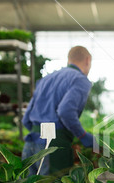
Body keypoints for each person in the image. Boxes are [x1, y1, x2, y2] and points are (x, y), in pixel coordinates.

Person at [22, 45, 94, 175]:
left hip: (30, 145)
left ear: (69, 60)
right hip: (53, 147)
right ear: (88, 60)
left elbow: (26, 118)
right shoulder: (80, 80)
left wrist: (39, 134)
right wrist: (84, 136)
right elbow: (65, 111)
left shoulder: (46, 79)